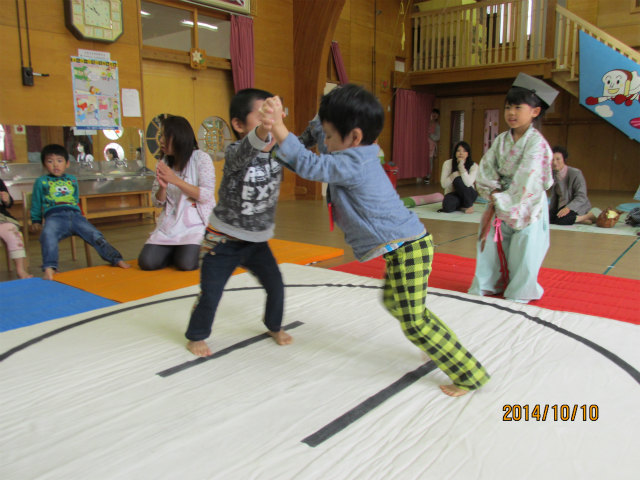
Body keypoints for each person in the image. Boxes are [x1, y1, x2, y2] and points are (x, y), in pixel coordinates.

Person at [260, 84, 490, 397]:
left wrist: (278, 126)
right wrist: (294, 127)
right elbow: (313, 145)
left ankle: (468, 374)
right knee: (397, 304)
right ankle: (435, 343)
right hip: (405, 248)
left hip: (409, 248)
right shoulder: (354, 150)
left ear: (354, 136)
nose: (325, 143)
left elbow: (311, 164)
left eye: (329, 136)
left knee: (414, 321)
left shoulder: (354, 162)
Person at [185, 88, 292, 357]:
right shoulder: (234, 152)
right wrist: (265, 128)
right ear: (239, 124)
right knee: (211, 292)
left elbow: (303, 143)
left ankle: (274, 325)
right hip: (223, 240)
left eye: (274, 116)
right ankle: (196, 335)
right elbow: (248, 149)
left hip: (257, 242)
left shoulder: (280, 152)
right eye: (262, 116)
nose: (270, 122)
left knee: (276, 286)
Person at [468, 73, 558, 303]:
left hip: (527, 202)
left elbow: (529, 179)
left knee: (524, 248)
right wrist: (493, 192)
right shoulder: (500, 140)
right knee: (489, 243)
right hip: (500, 198)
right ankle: (488, 284)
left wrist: (502, 198)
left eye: (518, 107)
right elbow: (487, 168)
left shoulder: (537, 144)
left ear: (535, 111)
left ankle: (520, 290)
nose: (511, 113)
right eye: (508, 107)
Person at [30, 144, 130, 280]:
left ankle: (116, 259)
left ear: (67, 163)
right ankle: (50, 267)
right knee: (47, 235)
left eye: (59, 161)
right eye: (50, 161)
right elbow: (36, 202)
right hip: (55, 216)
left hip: (75, 216)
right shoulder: (41, 181)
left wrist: (81, 216)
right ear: (44, 164)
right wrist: (35, 220)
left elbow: (75, 199)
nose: (55, 165)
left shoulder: (72, 179)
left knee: (95, 235)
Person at [137, 116, 216, 271]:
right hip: (171, 224)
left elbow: (206, 195)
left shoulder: (201, 158)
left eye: (165, 136)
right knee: (147, 262)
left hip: (195, 224)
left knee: (186, 264)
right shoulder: (164, 163)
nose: (161, 140)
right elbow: (157, 202)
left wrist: (175, 180)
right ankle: (177, 250)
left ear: (180, 137)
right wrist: (163, 188)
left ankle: (196, 248)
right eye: (161, 136)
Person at [548, 146, 596, 225]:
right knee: (547, 219)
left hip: (575, 206)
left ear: (564, 159)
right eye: (552, 159)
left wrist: (568, 208)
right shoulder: (552, 174)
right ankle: (580, 220)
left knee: (562, 220)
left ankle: (587, 216)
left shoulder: (575, 173)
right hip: (560, 206)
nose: (555, 162)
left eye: (558, 159)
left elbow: (581, 196)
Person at [0, 178, 31, 278]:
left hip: (2, 219)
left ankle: (20, 269)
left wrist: (6, 199)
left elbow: (9, 204)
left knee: (13, 233)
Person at [439, 141, 478, 213]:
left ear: (468, 154)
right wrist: (454, 174)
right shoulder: (447, 163)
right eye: (458, 151)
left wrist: (461, 166)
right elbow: (443, 185)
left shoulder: (474, 165)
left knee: (458, 180)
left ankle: (469, 205)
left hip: (469, 194)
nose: (461, 153)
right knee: (447, 207)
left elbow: (468, 183)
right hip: (453, 193)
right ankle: (462, 206)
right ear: (455, 153)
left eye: (464, 151)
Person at [425, 108, 440, 184]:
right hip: (423, 144)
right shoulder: (426, 123)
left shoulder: (437, 126)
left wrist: (430, 135)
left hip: (431, 146)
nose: (434, 115)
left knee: (429, 161)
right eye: (433, 113)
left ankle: (428, 177)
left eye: (436, 114)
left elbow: (437, 137)